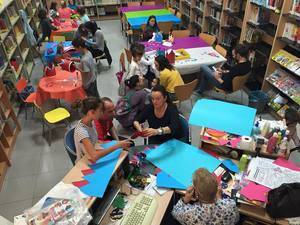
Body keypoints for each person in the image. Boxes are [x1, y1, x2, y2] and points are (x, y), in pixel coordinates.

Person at [172, 168, 240, 225]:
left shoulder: (190, 214)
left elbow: (174, 212)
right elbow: (236, 218)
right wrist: (219, 197)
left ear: (197, 193)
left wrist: (186, 199)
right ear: (217, 189)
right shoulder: (230, 205)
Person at [74, 97, 131, 162]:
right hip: (86, 161)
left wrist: (116, 143)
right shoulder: (81, 131)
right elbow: (94, 156)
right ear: (91, 112)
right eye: (100, 111)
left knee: (121, 154)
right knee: (118, 159)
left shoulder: (91, 121)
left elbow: (96, 141)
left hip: (94, 151)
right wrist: (116, 146)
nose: (101, 113)